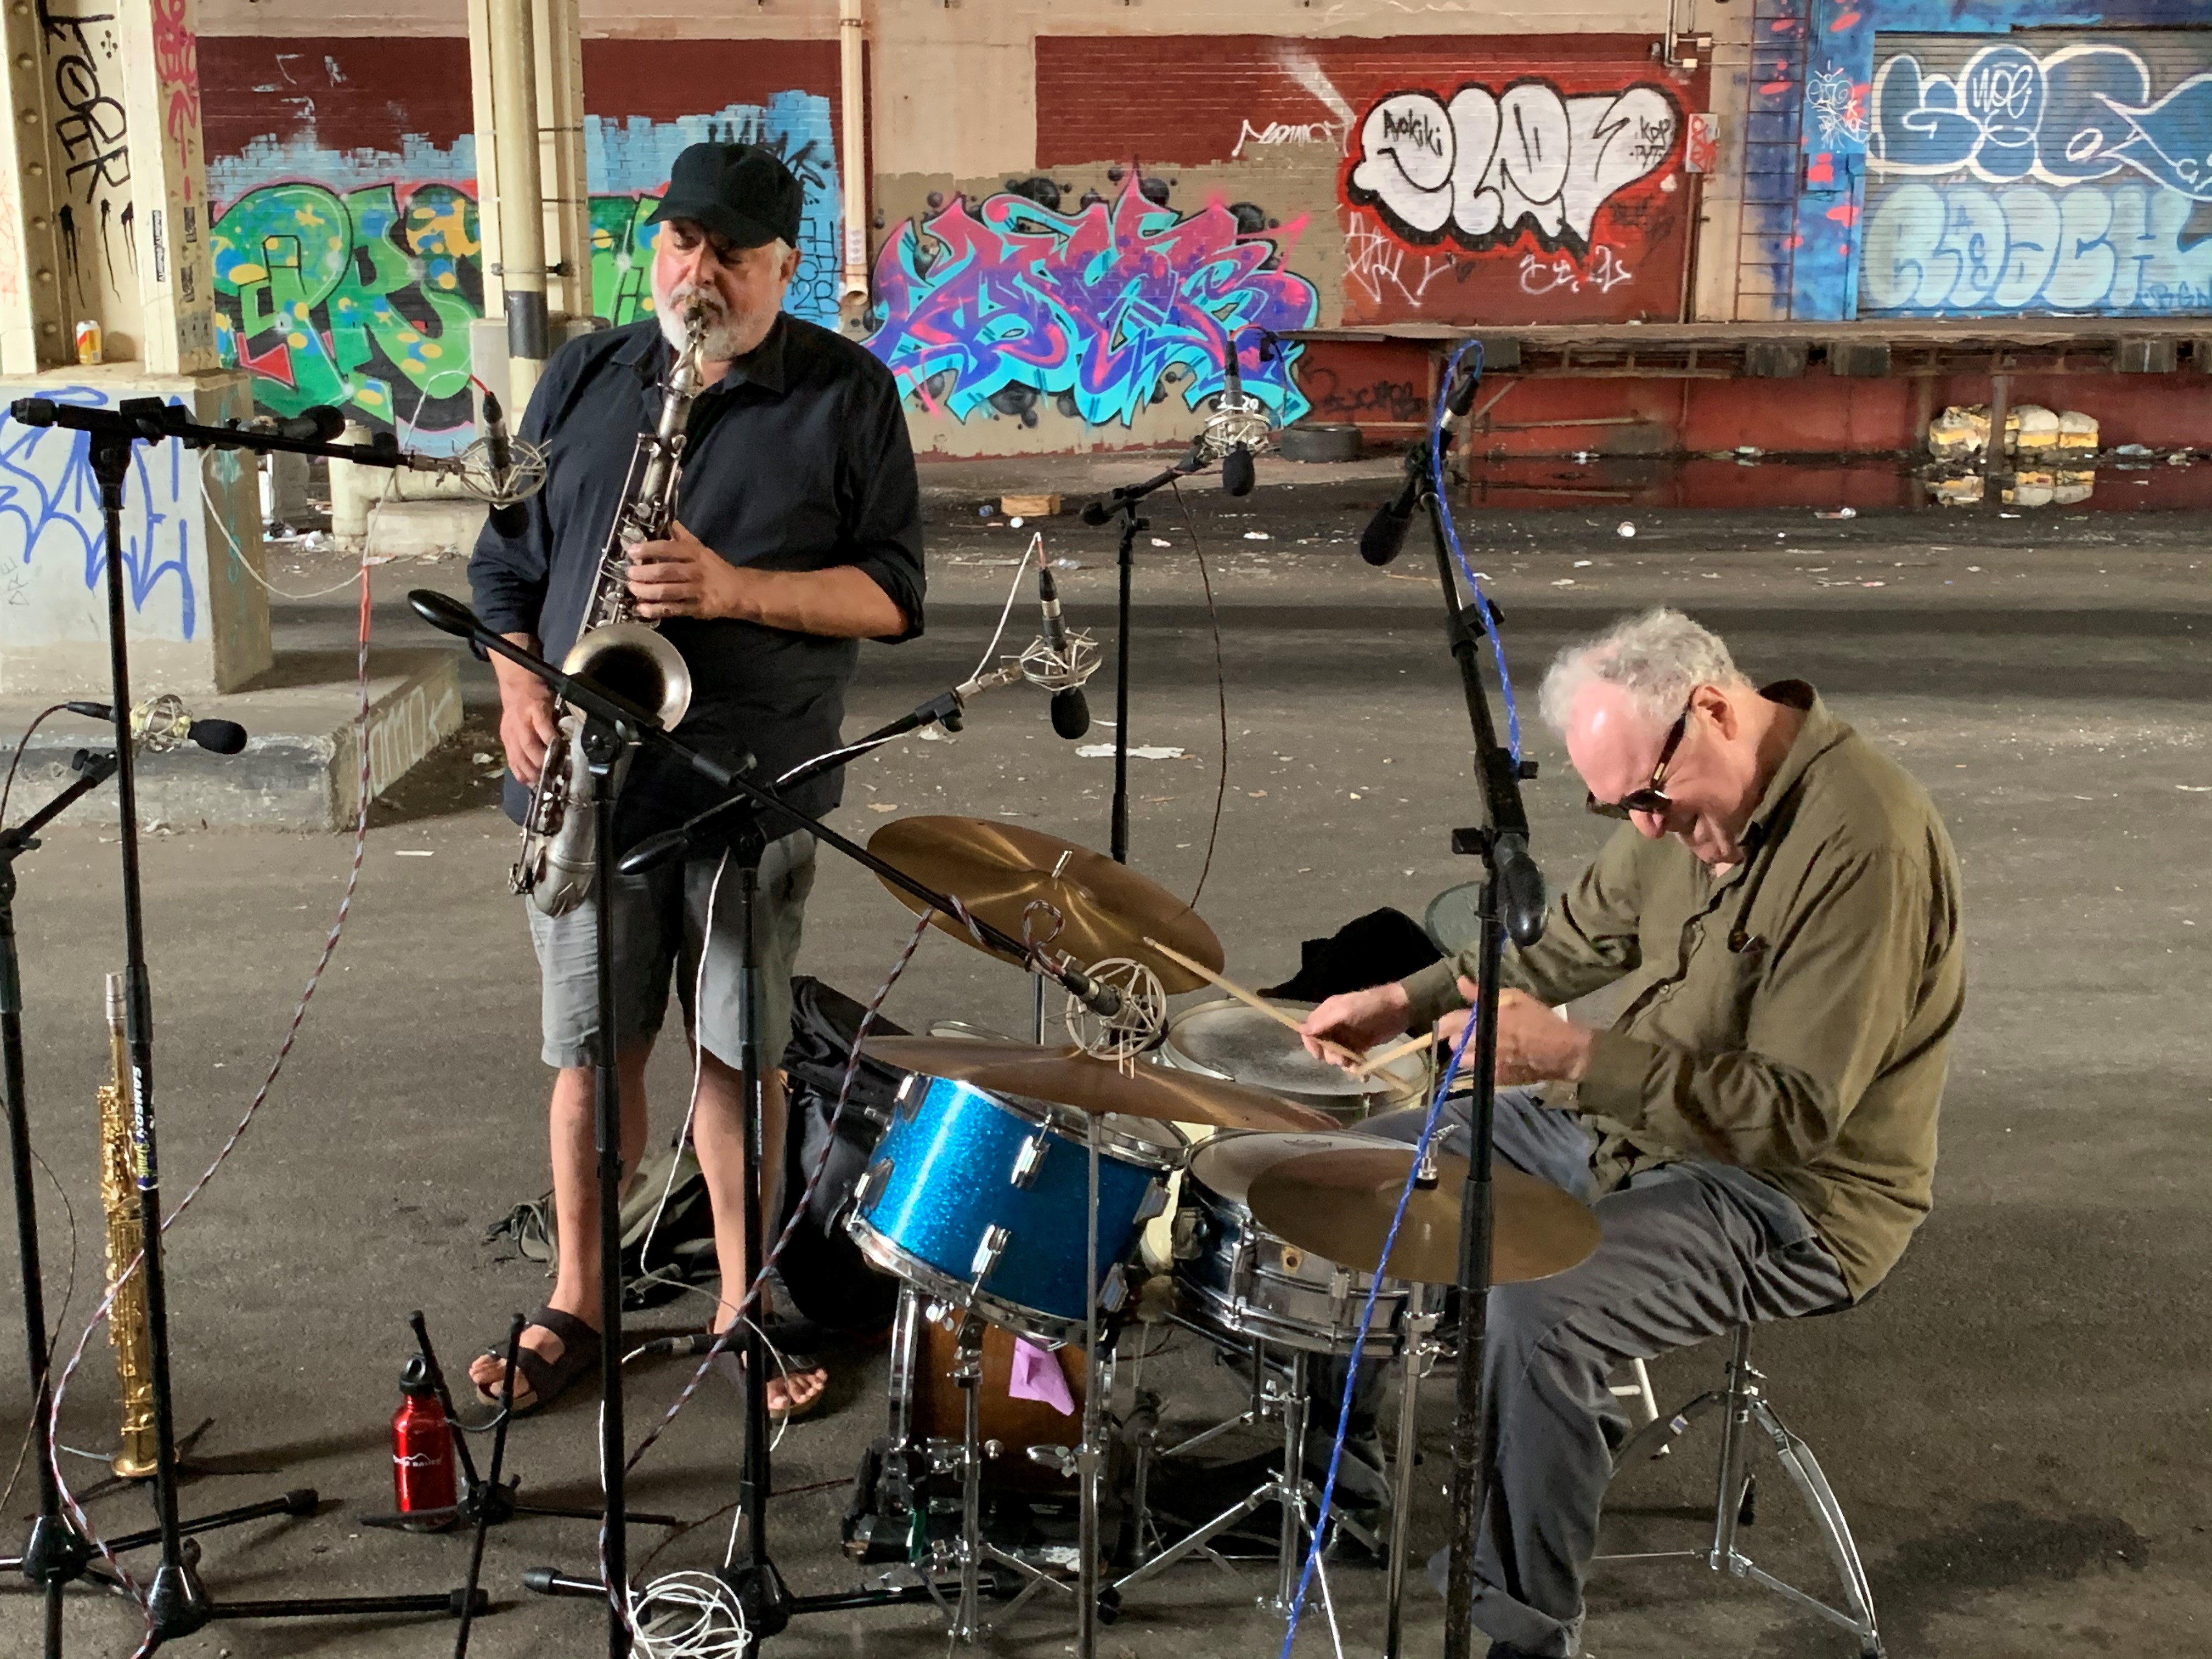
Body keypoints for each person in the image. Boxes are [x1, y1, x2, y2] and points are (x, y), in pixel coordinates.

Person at [1301, 607, 1962, 1659]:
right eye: (1621, 807)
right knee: (1376, 1170)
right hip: (1634, 1131)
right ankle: (1337, 1486)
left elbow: (1791, 1114)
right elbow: (1567, 946)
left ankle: (1528, 1634)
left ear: (1713, 709)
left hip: (1791, 1195)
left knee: (1546, 1312)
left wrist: (1569, 1059)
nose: (1645, 828)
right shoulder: (1673, 792)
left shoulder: (1864, 841)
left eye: (1650, 799)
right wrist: (1403, 999)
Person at [467, 142, 925, 1420]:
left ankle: (747, 1300)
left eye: (731, 251)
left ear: (786, 262)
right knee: (590, 1058)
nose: (699, 270)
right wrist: (517, 686)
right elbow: (504, 563)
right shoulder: (586, 374)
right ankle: (580, 1299)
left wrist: (731, 590)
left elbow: (893, 597)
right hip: (588, 788)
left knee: (741, 1055)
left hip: (750, 779)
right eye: (681, 242)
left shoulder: (847, 394)